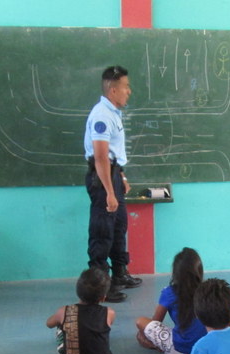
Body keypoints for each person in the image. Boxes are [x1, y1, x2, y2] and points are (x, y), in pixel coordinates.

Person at [84, 65, 141, 303]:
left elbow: (114, 154)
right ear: (114, 89)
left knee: (118, 227)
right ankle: (100, 287)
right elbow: (100, 157)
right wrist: (109, 191)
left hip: (113, 175)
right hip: (102, 179)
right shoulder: (101, 115)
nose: (129, 91)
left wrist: (122, 178)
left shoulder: (113, 113)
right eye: (126, 87)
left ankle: (119, 274)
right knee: (102, 232)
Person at [47, 268, 115, 354]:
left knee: (60, 327)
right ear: (103, 298)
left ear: (78, 291)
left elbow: (48, 324)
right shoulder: (109, 313)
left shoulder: (64, 311)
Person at [135, 247, 206, 354]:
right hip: (205, 350)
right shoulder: (208, 290)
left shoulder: (169, 292)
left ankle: (156, 346)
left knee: (140, 323)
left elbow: (156, 322)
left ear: (175, 273)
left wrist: (146, 336)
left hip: (177, 348)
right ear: (200, 271)